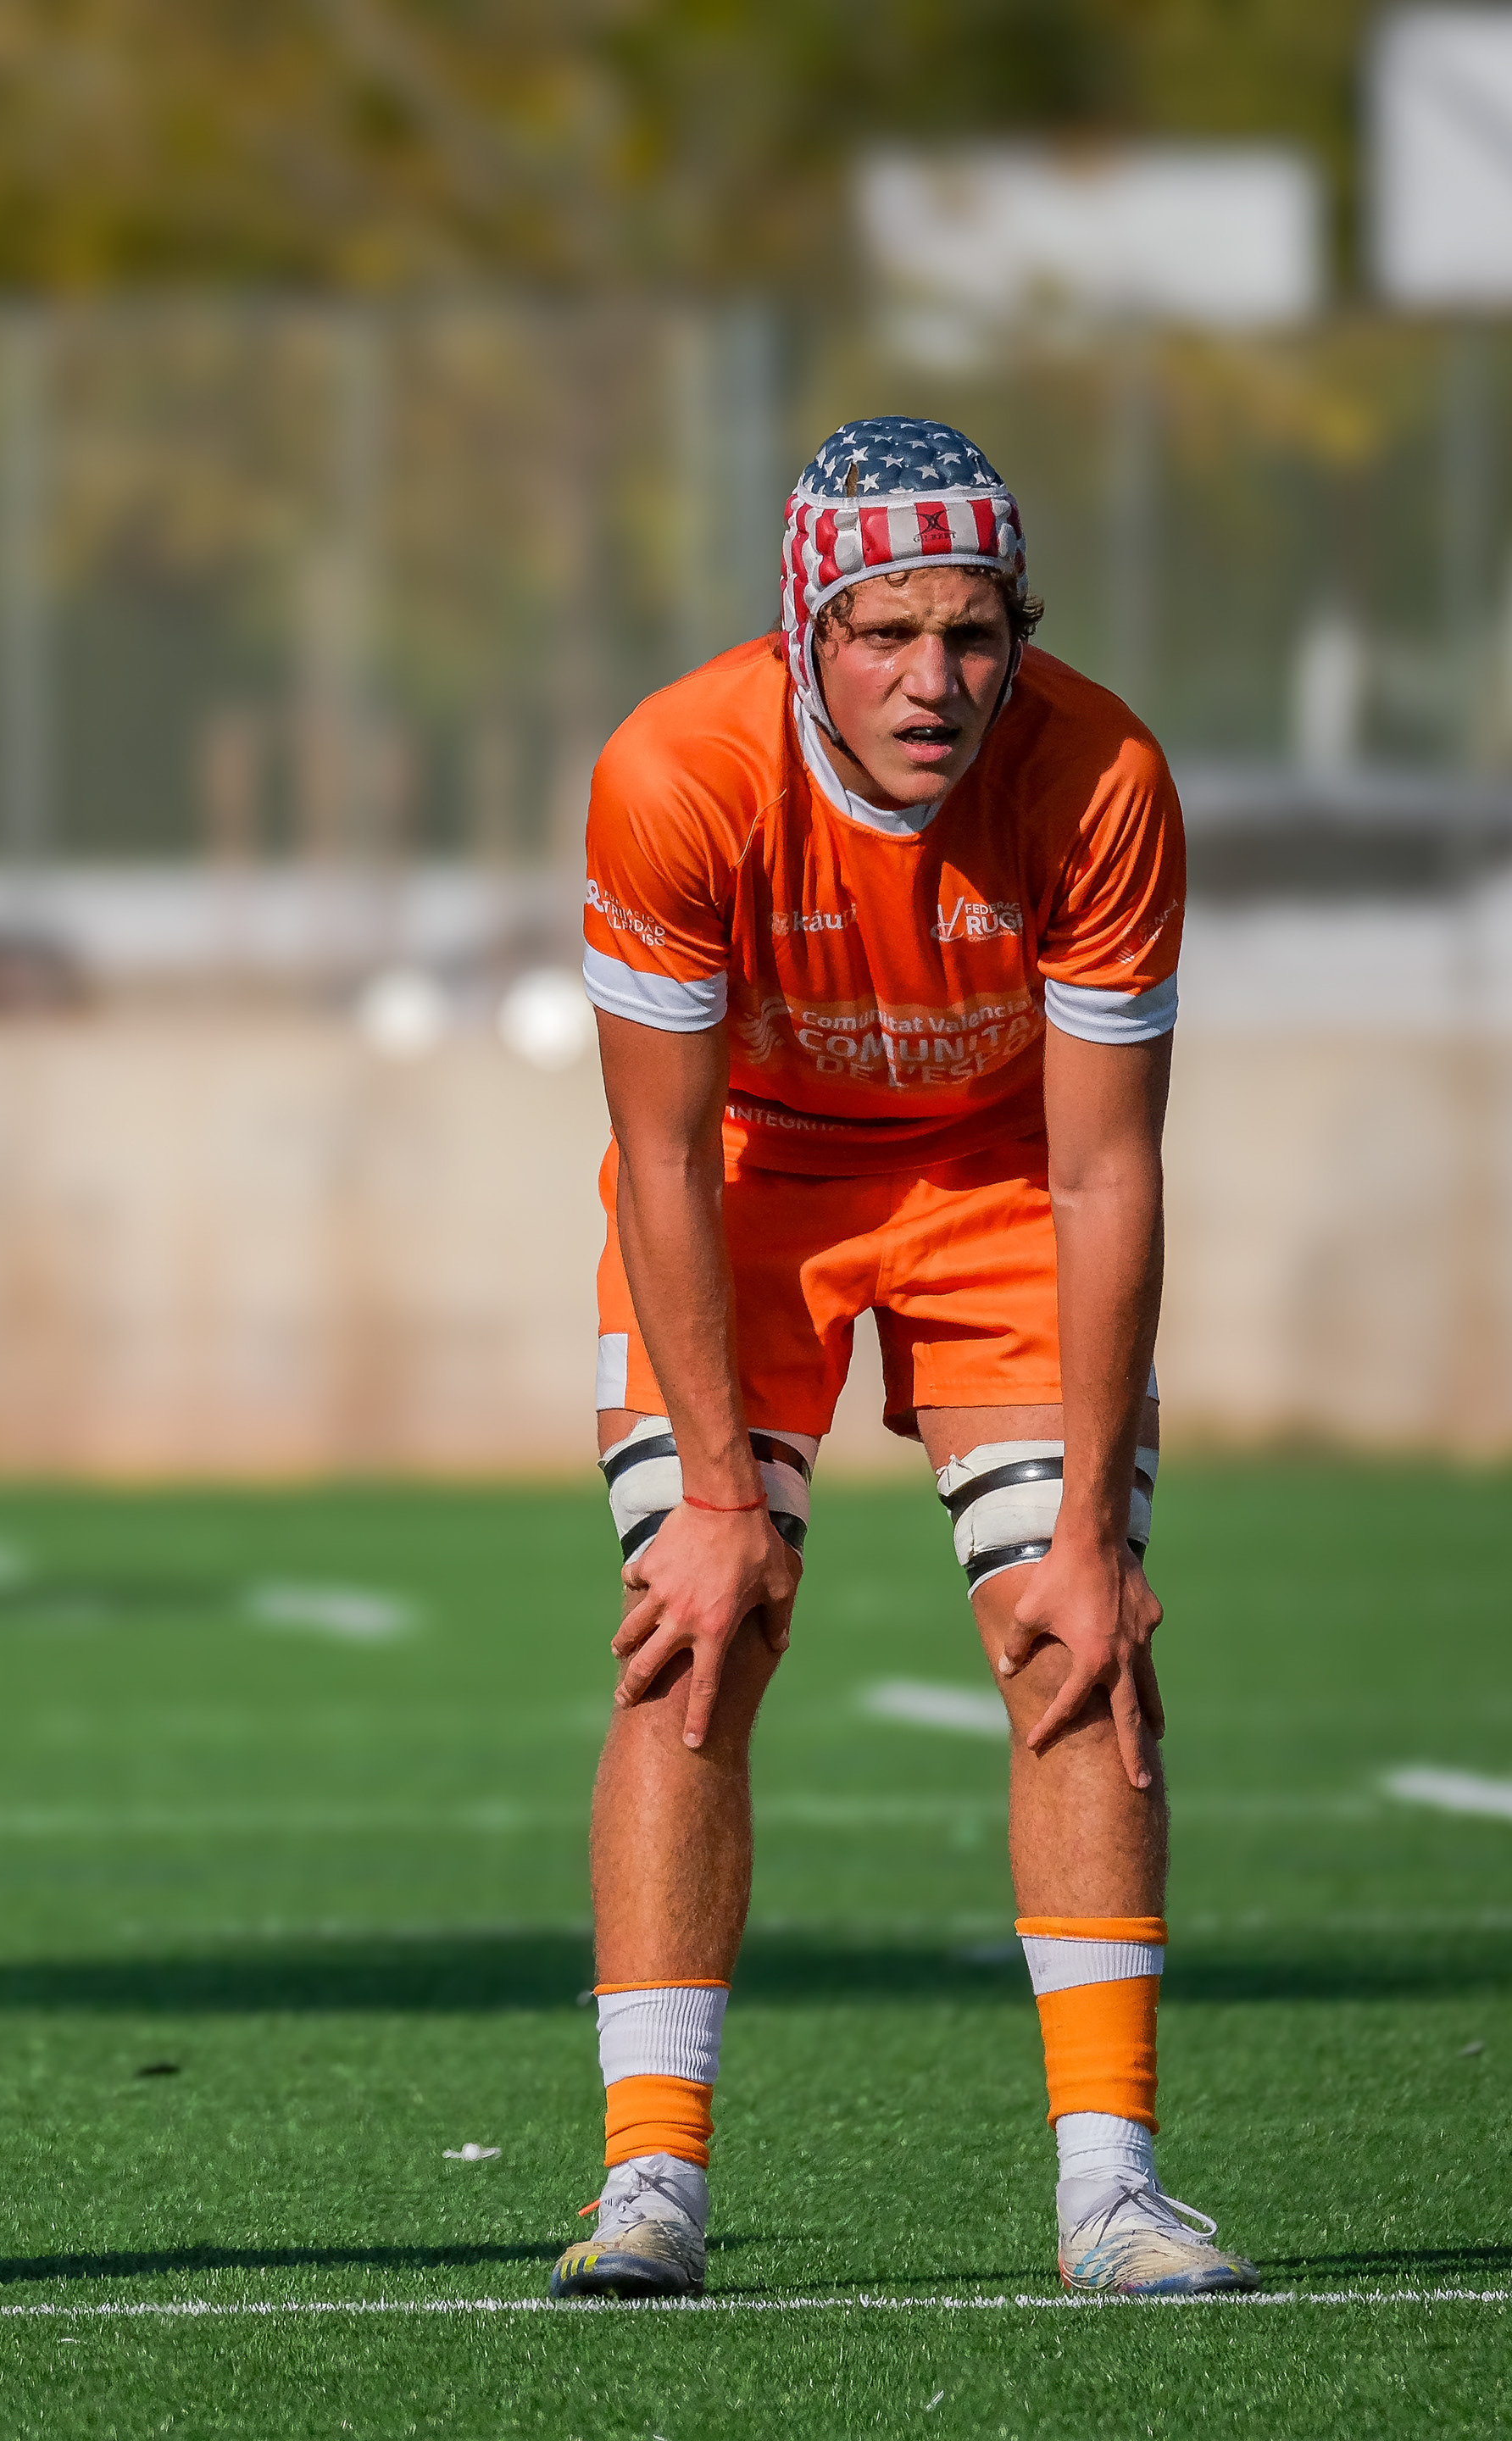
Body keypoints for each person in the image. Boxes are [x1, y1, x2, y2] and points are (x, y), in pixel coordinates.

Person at [548, 417, 1252, 2301]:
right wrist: (717, 1503)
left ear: (1023, 633)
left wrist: (1091, 1535)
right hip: (749, 1181)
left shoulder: (1103, 778)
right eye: (884, 634)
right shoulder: (674, 773)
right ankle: (650, 2183)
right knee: (697, 1627)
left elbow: (1106, 1171)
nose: (933, 681)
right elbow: (664, 1159)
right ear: (807, 634)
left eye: (972, 633)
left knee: (1072, 1638)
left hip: (1007, 1177)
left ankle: (1113, 2194)